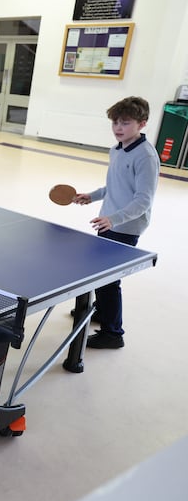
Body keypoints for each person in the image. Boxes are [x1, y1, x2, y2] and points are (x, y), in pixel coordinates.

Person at [72, 96, 158, 349]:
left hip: (126, 225)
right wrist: (92, 196)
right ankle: (103, 312)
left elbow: (143, 200)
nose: (118, 128)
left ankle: (113, 333)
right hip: (108, 221)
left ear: (142, 124)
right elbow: (114, 185)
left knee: (109, 280)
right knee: (100, 274)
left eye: (126, 123)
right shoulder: (117, 148)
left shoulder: (146, 157)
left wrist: (115, 218)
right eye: (115, 123)